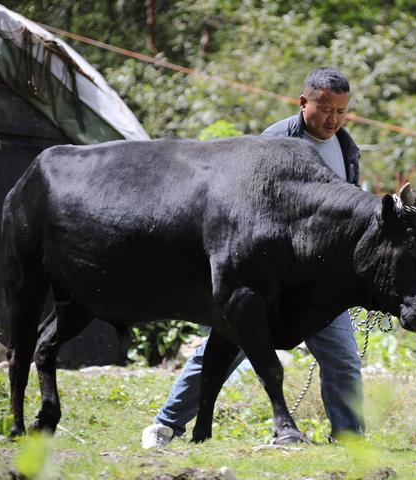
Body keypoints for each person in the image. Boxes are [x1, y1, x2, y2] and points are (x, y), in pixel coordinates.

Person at [142, 67, 364, 448]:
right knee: (223, 351)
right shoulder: (273, 143)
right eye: (326, 108)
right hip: (266, 279)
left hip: (318, 282)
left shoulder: (347, 148)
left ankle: (349, 441)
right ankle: (165, 424)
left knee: (342, 358)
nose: (334, 119)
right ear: (303, 102)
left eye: (342, 111)